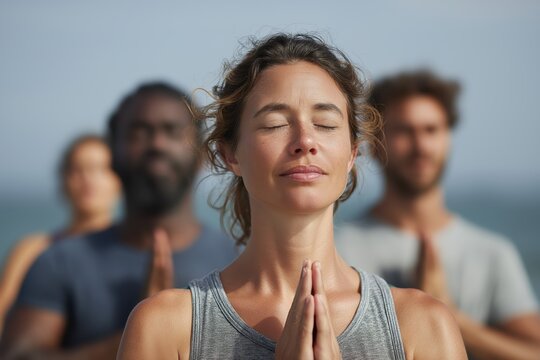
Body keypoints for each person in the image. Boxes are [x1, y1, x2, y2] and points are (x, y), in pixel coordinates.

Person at [117, 34, 466, 359]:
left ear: (352, 154)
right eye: (274, 124)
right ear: (230, 154)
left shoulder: (422, 326)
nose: (305, 140)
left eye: (325, 124)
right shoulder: (168, 327)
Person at [0, 82, 238, 358]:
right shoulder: (58, 262)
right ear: (111, 153)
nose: (157, 144)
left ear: (202, 155)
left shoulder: (237, 261)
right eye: (139, 132)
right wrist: (139, 332)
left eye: (173, 131)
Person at [335, 70, 540, 359]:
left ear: (448, 139)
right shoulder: (337, 249)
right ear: (373, 143)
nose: (421, 146)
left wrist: (450, 317)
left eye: (432, 130)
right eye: (404, 130)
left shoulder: (492, 252)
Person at [0, 134, 120, 336]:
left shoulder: (133, 251)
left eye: (100, 169)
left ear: (120, 179)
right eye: (77, 169)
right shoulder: (32, 250)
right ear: (63, 180)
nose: (88, 178)